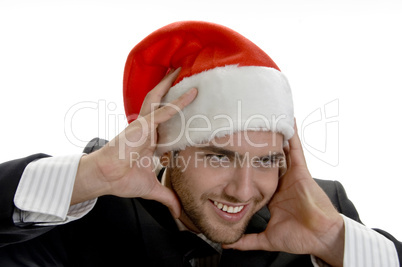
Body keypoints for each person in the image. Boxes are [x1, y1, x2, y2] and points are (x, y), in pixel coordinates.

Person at [0, 21, 400, 267]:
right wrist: (91, 176)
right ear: (170, 148)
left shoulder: (323, 211)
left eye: (266, 161)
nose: (244, 191)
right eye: (218, 155)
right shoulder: (91, 203)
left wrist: (333, 241)